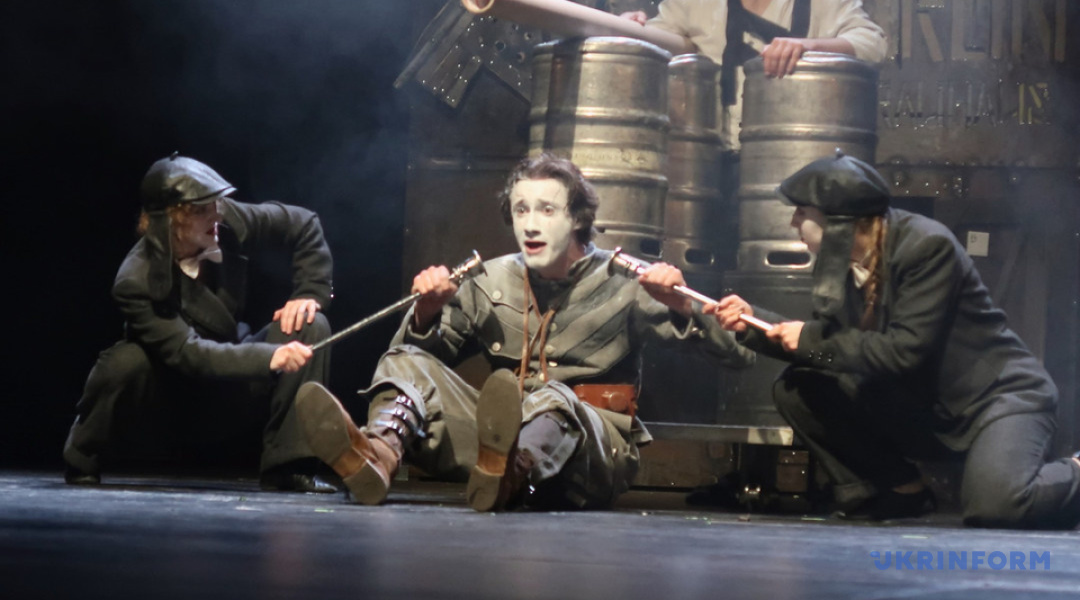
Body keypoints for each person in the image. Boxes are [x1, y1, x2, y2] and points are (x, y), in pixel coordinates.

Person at [294, 153, 755, 511]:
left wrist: (681, 305)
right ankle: (376, 458)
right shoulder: (490, 279)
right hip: (495, 446)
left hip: (591, 457)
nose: (531, 224)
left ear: (577, 218)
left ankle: (514, 472)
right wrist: (427, 313)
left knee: (555, 398)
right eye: (520, 210)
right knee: (405, 361)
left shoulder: (626, 280)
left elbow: (738, 356)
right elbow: (410, 367)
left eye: (547, 210)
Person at [709, 151, 1080, 529]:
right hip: (927, 405)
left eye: (802, 212)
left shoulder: (926, 246)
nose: (793, 222)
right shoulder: (837, 261)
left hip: (996, 400)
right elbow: (831, 344)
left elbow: (904, 350)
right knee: (799, 387)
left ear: (839, 220)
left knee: (998, 506)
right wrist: (750, 322)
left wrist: (807, 338)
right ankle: (900, 490)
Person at [63, 153, 337, 493]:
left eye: (215, 204)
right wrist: (270, 357)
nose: (216, 214)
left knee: (310, 325)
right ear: (171, 221)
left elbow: (304, 223)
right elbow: (187, 352)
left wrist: (310, 292)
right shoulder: (136, 280)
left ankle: (288, 467)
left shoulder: (225, 221)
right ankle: (83, 454)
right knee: (125, 362)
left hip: (229, 383)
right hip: (171, 399)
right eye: (201, 210)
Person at [621, 0, 887, 151]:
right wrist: (631, 27)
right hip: (711, 159)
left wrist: (810, 46)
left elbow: (872, 44)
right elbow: (653, 41)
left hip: (794, 156)